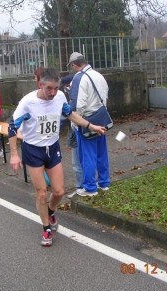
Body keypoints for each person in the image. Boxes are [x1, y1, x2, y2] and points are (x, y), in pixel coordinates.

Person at [8, 68, 106, 246]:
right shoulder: (28, 103)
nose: (53, 92)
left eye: (56, 88)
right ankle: (46, 228)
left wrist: (90, 126)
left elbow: (70, 114)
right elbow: (12, 127)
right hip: (33, 150)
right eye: (49, 89)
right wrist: (14, 154)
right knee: (42, 192)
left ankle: (51, 211)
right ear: (40, 84)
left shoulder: (60, 97)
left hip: (52, 148)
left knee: (59, 191)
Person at [68, 52, 110, 197]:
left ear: (74, 65)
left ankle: (90, 187)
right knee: (101, 154)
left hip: (86, 122)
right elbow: (105, 96)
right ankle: (104, 183)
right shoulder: (99, 75)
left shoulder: (79, 78)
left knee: (87, 156)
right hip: (101, 118)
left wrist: (75, 122)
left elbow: (78, 105)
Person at [59, 75, 84, 198]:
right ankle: (88, 183)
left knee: (77, 162)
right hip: (83, 129)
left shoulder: (75, 97)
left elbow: (67, 114)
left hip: (77, 130)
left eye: (66, 87)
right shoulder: (78, 93)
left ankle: (80, 187)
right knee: (85, 159)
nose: (65, 90)